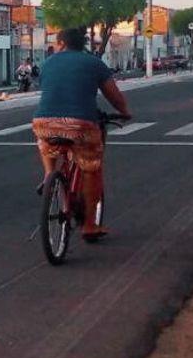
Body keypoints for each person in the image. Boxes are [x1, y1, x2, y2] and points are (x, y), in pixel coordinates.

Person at [33, 27, 132, 242]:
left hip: (44, 121)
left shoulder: (48, 62)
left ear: (61, 43)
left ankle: (50, 175)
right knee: (91, 169)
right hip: (81, 124)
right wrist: (125, 112)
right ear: (82, 45)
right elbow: (113, 95)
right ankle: (89, 225)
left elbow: (51, 88)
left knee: (45, 143)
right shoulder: (94, 63)